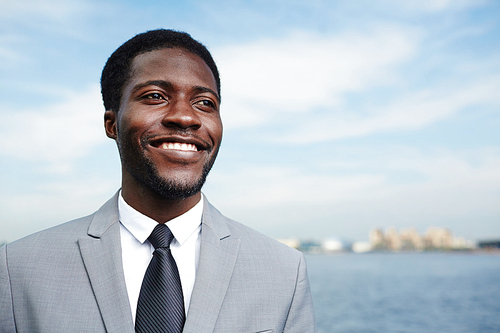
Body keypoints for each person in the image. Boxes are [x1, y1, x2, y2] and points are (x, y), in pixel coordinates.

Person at [0, 29, 317, 333]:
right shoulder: (18, 269)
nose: (185, 117)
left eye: (205, 103)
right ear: (112, 124)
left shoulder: (285, 271)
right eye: (155, 96)